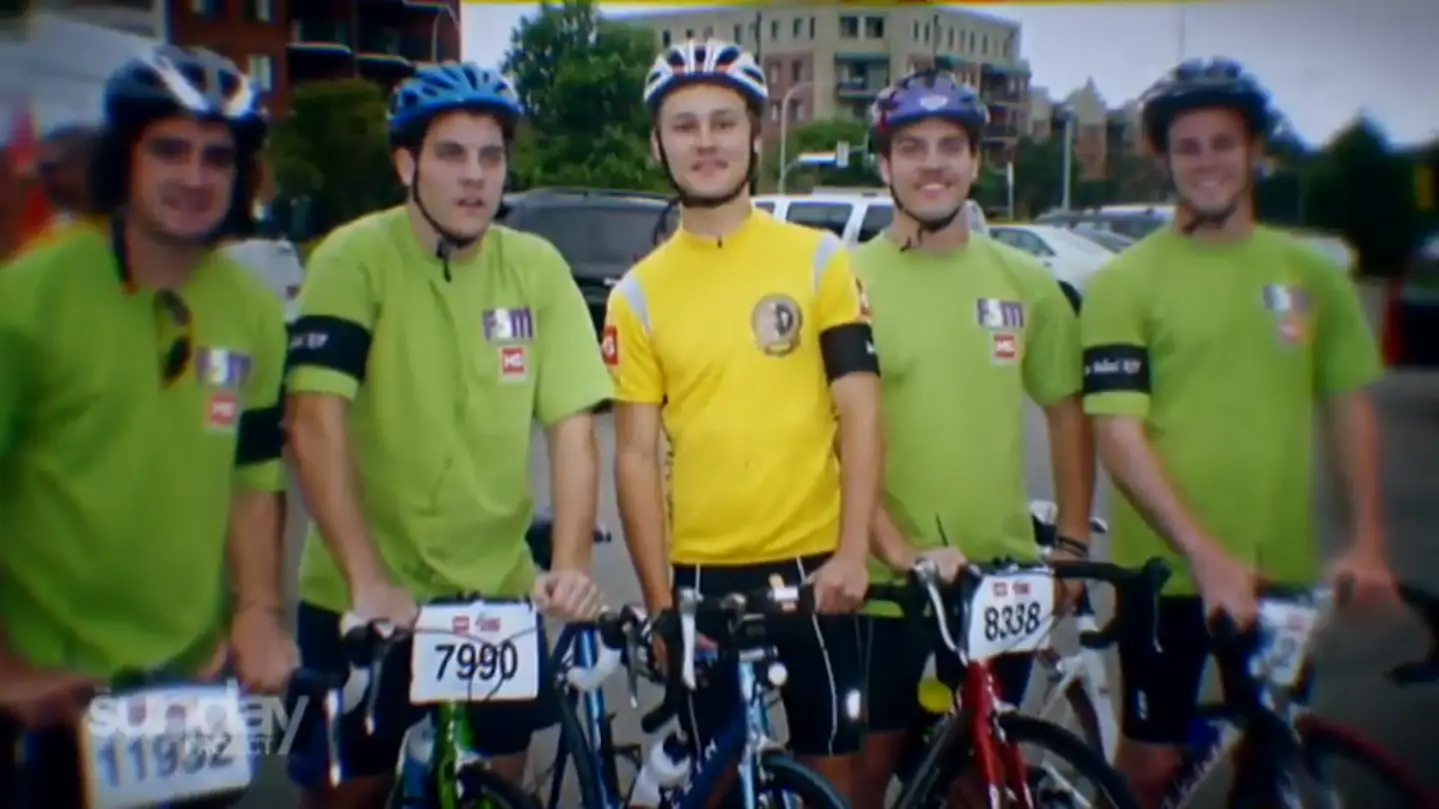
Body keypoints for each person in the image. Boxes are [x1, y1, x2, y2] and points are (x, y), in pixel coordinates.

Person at [284, 61, 613, 809]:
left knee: (500, 783)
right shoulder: (352, 257)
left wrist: (567, 565)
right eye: (450, 154)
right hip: (361, 593)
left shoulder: (534, 267)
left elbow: (572, 429)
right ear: (407, 164)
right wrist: (367, 579)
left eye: (490, 156)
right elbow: (313, 418)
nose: (474, 177)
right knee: (348, 792)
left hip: (492, 594)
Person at [1080, 58, 1394, 808]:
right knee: (1150, 767)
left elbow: (1347, 402)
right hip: (1166, 574)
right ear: (1161, 158)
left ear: (1256, 150)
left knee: (1271, 758)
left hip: (1278, 570)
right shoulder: (1125, 281)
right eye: (1187, 146)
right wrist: (1203, 553)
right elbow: (1117, 432)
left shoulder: (1307, 274)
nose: (1206, 161)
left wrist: (1369, 541)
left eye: (1223, 143)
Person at [0, 43, 295, 798]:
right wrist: (8, 666)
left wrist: (258, 609)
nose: (194, 177)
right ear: (123, 157)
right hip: (50, 692)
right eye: (168, 150)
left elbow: (253, 474)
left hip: (191, 681)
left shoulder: (254, 310)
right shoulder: (29, 298)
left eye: (215, 157)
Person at [606, 38, 882, 800]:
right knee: (717, 780)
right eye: (685, 125)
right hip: (701, 579)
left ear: (757, 137)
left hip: (817, 565)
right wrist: (660, 602)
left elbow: (858, 411)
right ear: (657, 143)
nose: (706, 142)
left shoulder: (821, 259)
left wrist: (854, 551)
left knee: (835, 774)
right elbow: (632, 455)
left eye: (723, 123)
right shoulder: (636, 293)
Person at [847, 70, 1094, 809]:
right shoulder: (842, 280)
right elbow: (825, 435)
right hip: (887, 585)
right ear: (884, 164)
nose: (932, 163)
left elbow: (1066, 410)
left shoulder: (1024, 280)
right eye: (911, 146)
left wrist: (1072, 545)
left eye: (950, 146)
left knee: (978, 780)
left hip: (1001, 574)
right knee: (863, 776)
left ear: (976, 161)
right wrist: (891, 545)